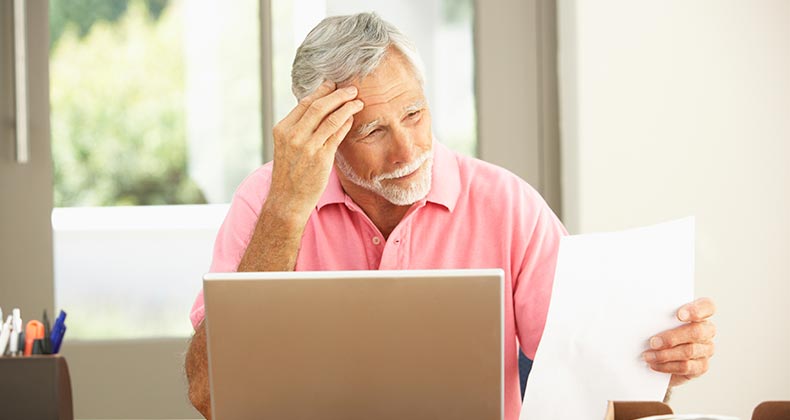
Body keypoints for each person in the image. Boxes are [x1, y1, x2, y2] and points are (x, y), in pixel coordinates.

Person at [185, 12, 716, 419]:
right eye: (373, 131)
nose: (409, 150)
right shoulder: (268, 201)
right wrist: (287, 210)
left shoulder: (505, 204)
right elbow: (210, 395)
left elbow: (597, 381)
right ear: (322, 135)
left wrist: (663, 365)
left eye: (415, 114)